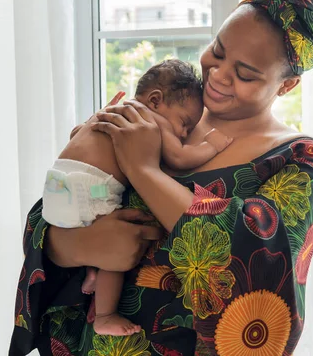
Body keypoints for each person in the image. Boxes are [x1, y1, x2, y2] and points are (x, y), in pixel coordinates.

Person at [9, 0, 313, 355]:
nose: (217, 75)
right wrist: (75, 245)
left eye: (246, 73)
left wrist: (144, 169)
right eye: (217, 50)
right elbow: (55, 206)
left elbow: (261, 275)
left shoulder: (297, 159)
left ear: (286, 85)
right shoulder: (156, 115)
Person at [41, 59, 231, 336]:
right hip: (89, 188)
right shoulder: (147, 119)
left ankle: (91, 272)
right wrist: (210, 145)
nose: (183, 133)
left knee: (95, 235)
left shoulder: (113, 111)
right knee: (115, 252)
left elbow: (74, 134)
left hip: (58, 185)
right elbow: (179, 158)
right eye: (184, 123)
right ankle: (105, 315)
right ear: (155, 100)